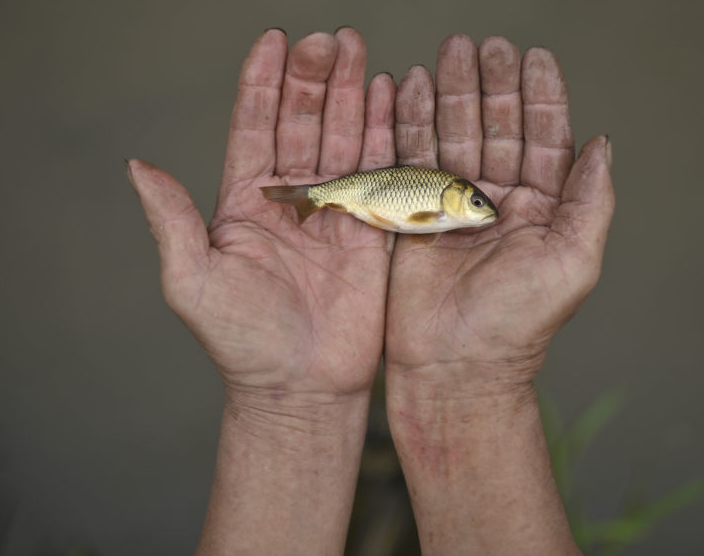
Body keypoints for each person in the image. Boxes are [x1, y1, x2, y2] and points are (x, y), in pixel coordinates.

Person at [127, 27, 615, 556]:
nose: (482, 213)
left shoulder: (439, 201)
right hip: (363, 198)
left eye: (478, 207)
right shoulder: (431, 204)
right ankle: (308, 201)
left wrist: (294, 406)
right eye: (475, 206)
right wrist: (473, 392)